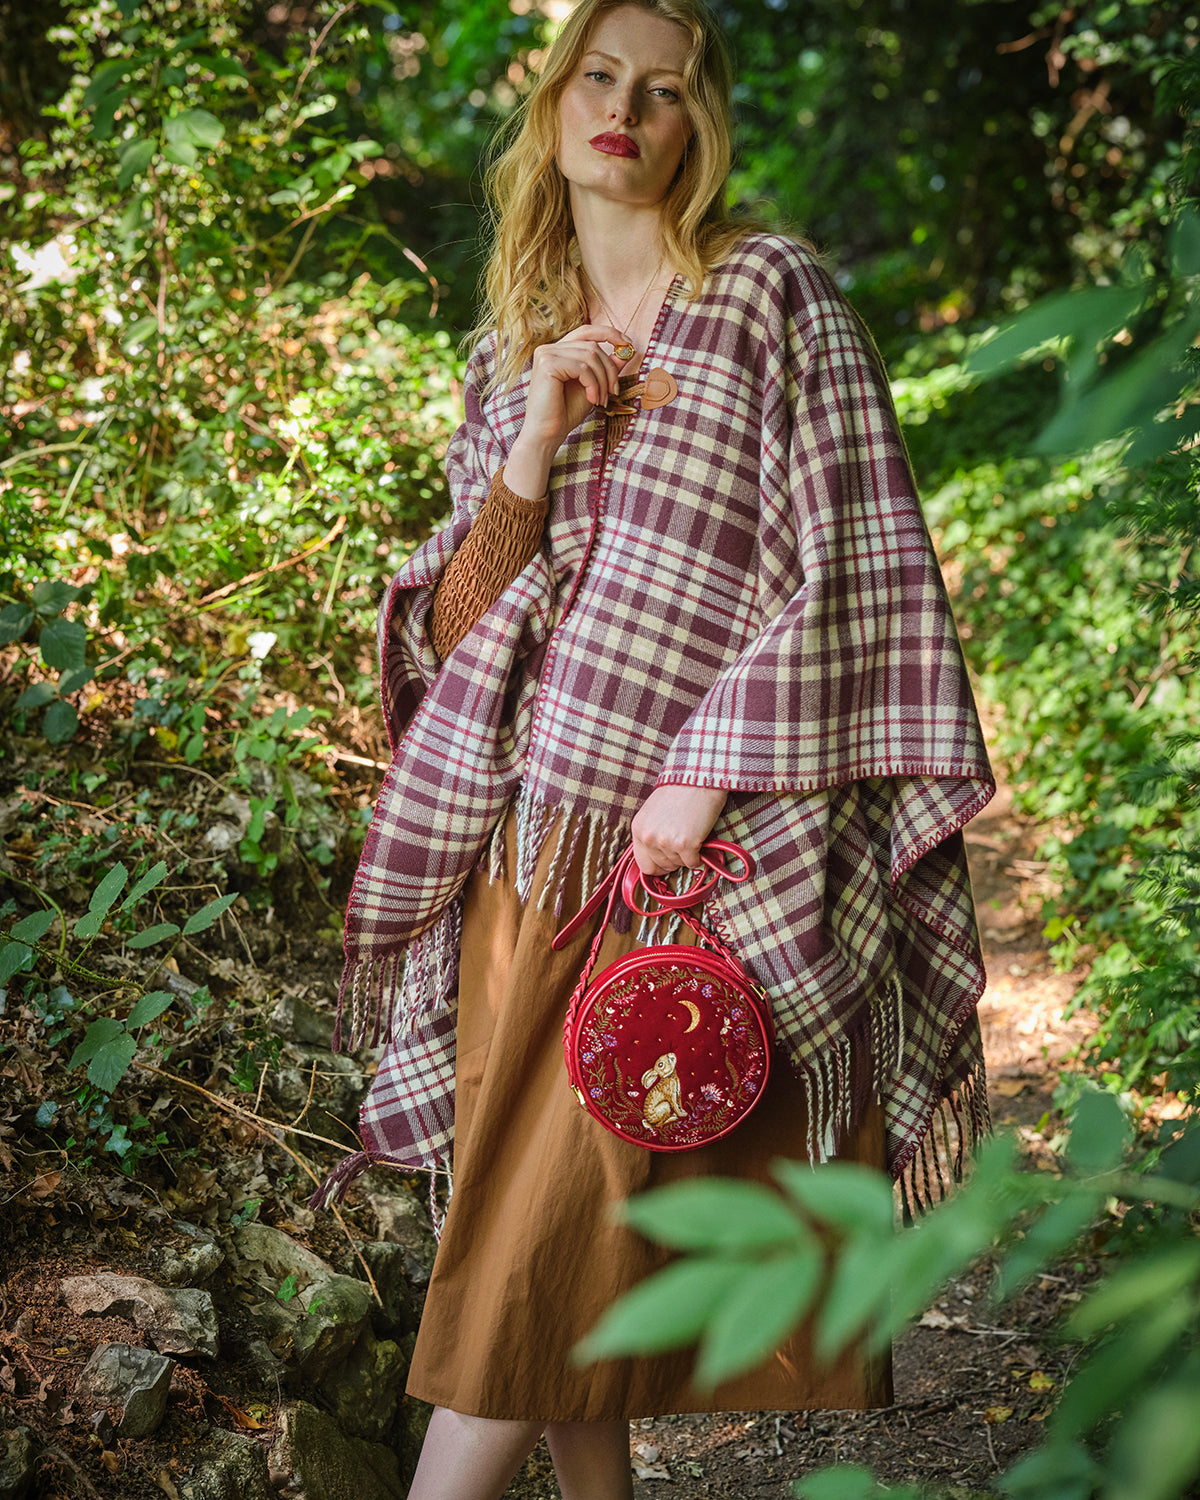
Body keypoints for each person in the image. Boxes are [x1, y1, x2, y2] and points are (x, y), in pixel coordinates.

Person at [314, 3, 995, 1496]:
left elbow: (861, 559)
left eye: (665, 90)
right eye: (601, 77)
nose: (625, 108)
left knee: (519, 1274)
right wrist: (535, 437)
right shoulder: (511, 349)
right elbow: (455, 628)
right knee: (549, 1262)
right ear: (555, 102)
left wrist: (706, 769)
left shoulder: (768, 293)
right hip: (520, 860)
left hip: (681, 867)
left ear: (701, 125)